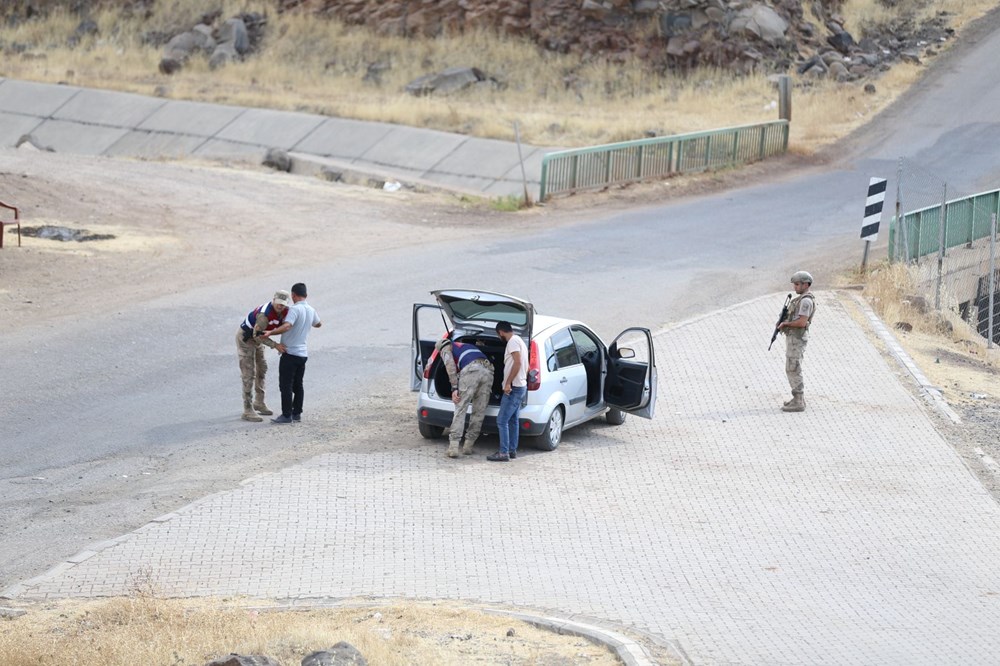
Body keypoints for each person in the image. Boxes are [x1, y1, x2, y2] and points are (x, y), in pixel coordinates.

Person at [263, 282, 322, 424]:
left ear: (293, 295)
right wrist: (307, 323)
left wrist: (271, 332)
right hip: (303, 354)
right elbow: (318, 324)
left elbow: (287, 325)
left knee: (285, 385)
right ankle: (297, 413)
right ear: (306, 295)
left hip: (290, 354)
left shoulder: (294, 310)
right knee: (298, 385)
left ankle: (286, 415)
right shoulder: (311, 310)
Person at [435, 332, 494, 458]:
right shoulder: (465, 345)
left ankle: (453, 447)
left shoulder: (446, 347)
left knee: (461, 408)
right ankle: (468, 446)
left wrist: (454, 388)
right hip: (488, 370)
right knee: (479, 410)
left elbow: (450, 367)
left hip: (472, 369)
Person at [236, 290, 290, 422]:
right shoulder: (264, 315)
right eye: (278, 303)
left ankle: (259, 402)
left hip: (260, 339)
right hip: (247, 339)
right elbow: (257, 336)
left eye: (282, 304)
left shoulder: (286, 311)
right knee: (249, 373)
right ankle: (247, 409)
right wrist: (275, 345)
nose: (280, 306)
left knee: (262, 369)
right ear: (273, 300)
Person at [777, 270, 816, 412]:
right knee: (792, 366)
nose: (795, 287)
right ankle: (797, 398)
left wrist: (786, 324)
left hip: (797, 338)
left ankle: (798, 400)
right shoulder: (800, 299)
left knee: (793, 367)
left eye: (797, 284)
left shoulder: (806, 301)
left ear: (806, 284)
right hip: (794, 338)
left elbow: (801, 322)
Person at [489, 321, 528, 462]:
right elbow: (525, 364)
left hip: (514, 388)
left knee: (501, 420)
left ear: (500, 332)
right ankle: (512, 450)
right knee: (513, 420)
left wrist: (508, 383)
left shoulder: (512, 342)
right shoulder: (521, 341)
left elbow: (517, 363)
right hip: (521, 386)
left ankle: (503, 452)